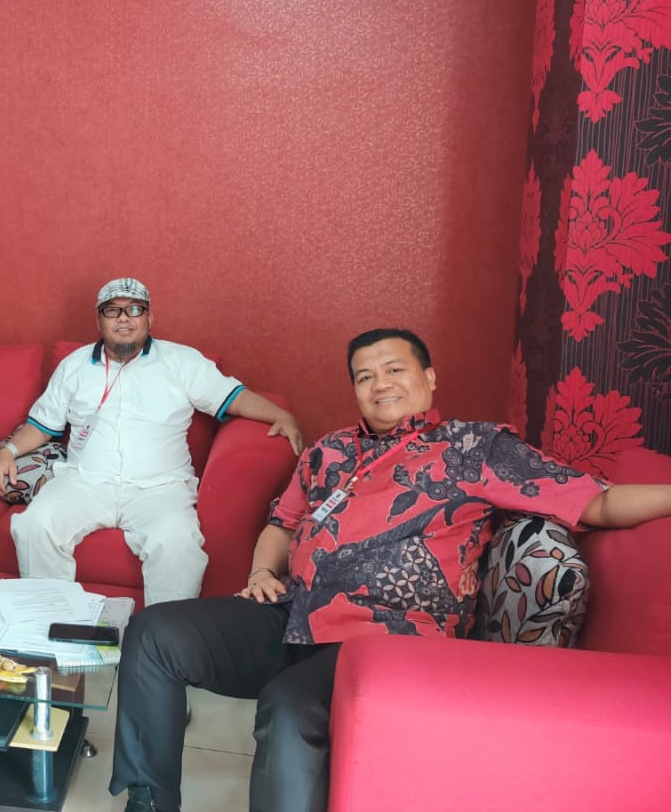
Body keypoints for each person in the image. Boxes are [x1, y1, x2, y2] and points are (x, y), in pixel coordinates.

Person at [109, 327, 671, 812]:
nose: (380, 384)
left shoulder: (476, 447)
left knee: (290, 705)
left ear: (429, 377)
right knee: (154, 633)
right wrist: (261, 574)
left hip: (388, 637)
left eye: (394, 369)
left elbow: (598, 502)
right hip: (291, 615)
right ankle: (149, 802)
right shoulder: (328, 451)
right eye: (364, 376)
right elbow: (282, 523)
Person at [0, 277, 303, 606]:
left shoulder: (181, 361)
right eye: (113, 310)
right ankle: (52, 626)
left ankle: (163, 635)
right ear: (99, 320)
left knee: (177, 543)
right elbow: (42, 424)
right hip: (86, 482)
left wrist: (281, 416)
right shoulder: (74, 365)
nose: (124, 319)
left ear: (149, 318)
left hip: (160, 488)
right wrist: (7, 451)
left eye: (134, 310)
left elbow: (233, 398)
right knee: (35, 524)